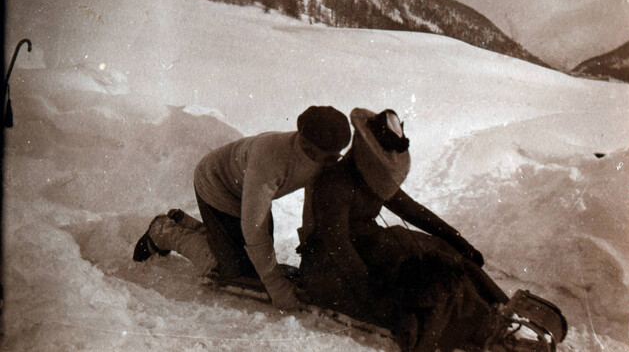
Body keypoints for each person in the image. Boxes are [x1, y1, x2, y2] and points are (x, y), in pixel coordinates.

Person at [296, 108, 509, 351]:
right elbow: (338, 247)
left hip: (366, 245)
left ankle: (494, 308)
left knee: (438, 250)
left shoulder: (371, 175)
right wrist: (371, 294)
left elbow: (413, 210)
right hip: (331, 268)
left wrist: (457, 240)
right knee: (424, 283)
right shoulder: (334, 184)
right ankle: (478, 326)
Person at [133, 105, 351, 311]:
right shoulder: (271, 158)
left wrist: (308, 250)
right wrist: (276, 286)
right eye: (326, 157)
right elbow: (254, 228)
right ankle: (164, 231)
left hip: (247, 191)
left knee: (254, 265)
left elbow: (311, 205)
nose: (331, 163)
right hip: (216, 185)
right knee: (228, 270)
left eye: (335, 157)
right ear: (305, 145)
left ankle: (184, 223)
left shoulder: (322, 158)